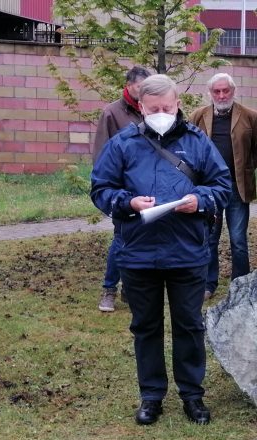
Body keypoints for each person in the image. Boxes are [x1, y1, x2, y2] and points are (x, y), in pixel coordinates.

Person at [90, 74, 232, 426]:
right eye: (154, 109)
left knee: (189, 326)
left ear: (177, 103)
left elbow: (223, 186)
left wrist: (200, 201)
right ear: (141, 107)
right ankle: (151, 396)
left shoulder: (197, 142)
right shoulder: (123, 144)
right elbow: (100, 189)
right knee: (146, 327)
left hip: (187, 252)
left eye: (167, 107)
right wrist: (128, 202)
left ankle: (192, 396)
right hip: (139, 253)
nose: (162, 113)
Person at [188, 73, 257, 299]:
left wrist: (244, 171)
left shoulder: (250, 116)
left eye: (225, 91)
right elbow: (190, 148)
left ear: (233, 90)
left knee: (238, 239)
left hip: (236, 187)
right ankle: (207, 284)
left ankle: (240, 283)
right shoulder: (198, 116)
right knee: (209, 237)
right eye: (217, 91)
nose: (221, 95)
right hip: (208, 188)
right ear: (210, 93)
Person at [93, 66, 152, 312]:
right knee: (121, 238)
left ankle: (130, 288)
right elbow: (101, 153)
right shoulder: (112, 113)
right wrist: (107, 190)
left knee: (141, 238)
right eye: (141, 88)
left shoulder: (149, 109)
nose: (144, 93)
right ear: (129, 85)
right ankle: (109, 289)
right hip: (121, 191)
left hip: (146, 187)